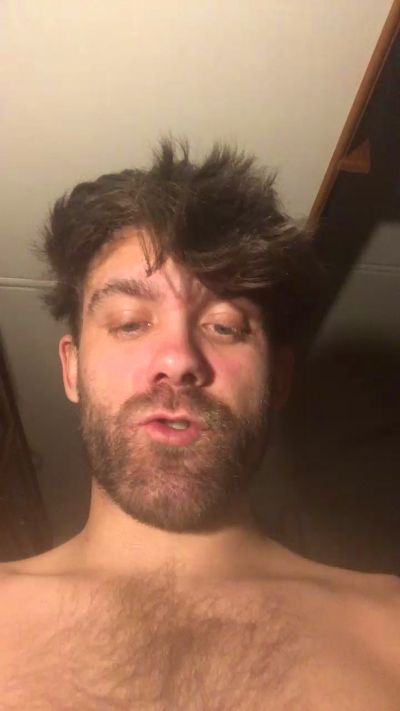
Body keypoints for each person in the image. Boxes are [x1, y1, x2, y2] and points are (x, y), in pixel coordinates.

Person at [0, 139, 399, 709]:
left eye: (225, 326)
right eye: (131, 322)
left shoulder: (388, 634)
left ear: (279, 378)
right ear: (72, 370)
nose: (178, 358)